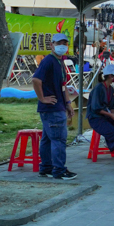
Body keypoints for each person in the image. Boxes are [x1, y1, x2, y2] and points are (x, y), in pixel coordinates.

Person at [32, 33, 76, 180]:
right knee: (58, 139)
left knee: (48, 139)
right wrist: (42, 98)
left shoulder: (60, 62)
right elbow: (36, 80)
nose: (62, 46)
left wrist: (68, 103)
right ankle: (59, 169)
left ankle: (46, 168)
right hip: (52, 107)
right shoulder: (48, 61)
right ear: (51, 45)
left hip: (57, 106)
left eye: (65, 43)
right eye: (59, 43)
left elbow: (63, 86)